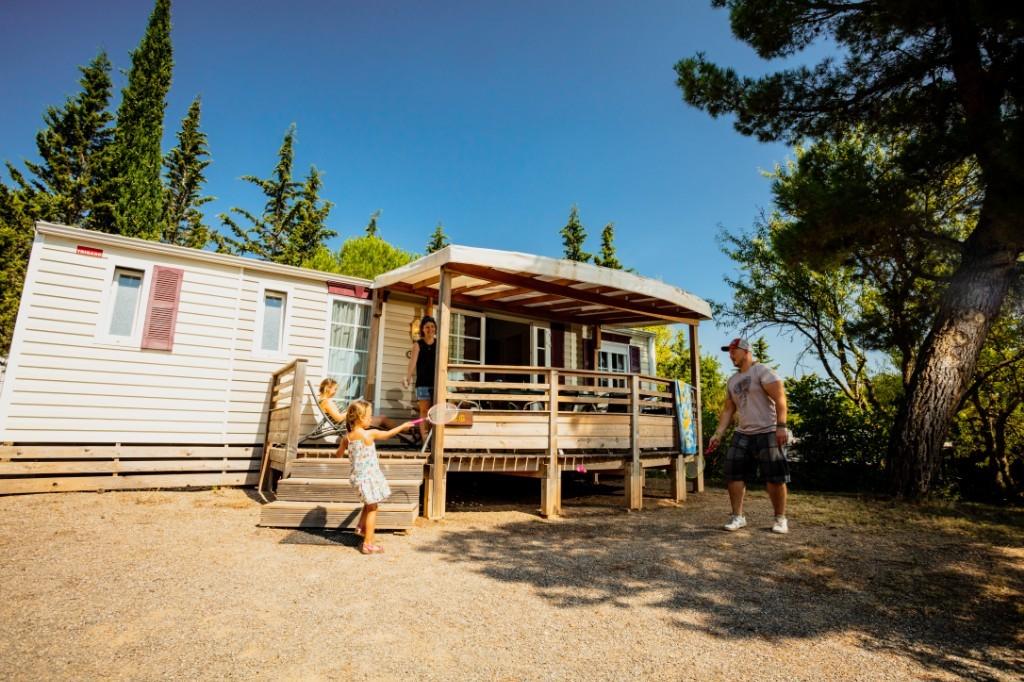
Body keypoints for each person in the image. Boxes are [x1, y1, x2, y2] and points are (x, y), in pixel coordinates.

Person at [706, 337, 791, 534]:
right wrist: (718, 434)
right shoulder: (732, 380)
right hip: (743, 432)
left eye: (733, 351)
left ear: (746, 351)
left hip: (768, 430)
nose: (730, 355)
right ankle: (737, 517)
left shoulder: (763, 371)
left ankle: (780, 519)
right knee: (733, 474)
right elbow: (728, 410)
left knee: (775, 477)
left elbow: (780, 399)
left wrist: (781, 426)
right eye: (729, 352)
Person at [340, 399, 416, 554]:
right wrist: (402, 427)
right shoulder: (369, 434)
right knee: (373, 508)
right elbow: (387, 434)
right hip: (369, 479)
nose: (371, 419)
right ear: (360, 418)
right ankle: (368, 544)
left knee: (368, 503)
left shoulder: (347, 437)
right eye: (369, 417)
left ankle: (361, 527)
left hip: (357, 479)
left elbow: (338, 453)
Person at [318, 378, 405, 441]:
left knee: (382, 420)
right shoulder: (326, 402)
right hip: (350, 423)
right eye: (334, 389)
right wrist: (351, 409)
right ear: (328, 388)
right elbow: (339, 418)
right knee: (383, 419)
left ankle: (404, 432)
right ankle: (405, 432)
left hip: (350, 421)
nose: (335, 392)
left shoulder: (324, 401)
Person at [402, 315, 437, 442]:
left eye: (432, 326)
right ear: (422, 329)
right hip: (423, 384)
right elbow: (412, 363)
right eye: (427, 327)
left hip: (437, 383)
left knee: (436, 412)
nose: (430, 329)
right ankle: (425, 439)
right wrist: (408, 377)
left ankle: (434, 440)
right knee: (424, 411)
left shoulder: (439, 344)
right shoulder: (418, 344)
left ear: (435, 328)